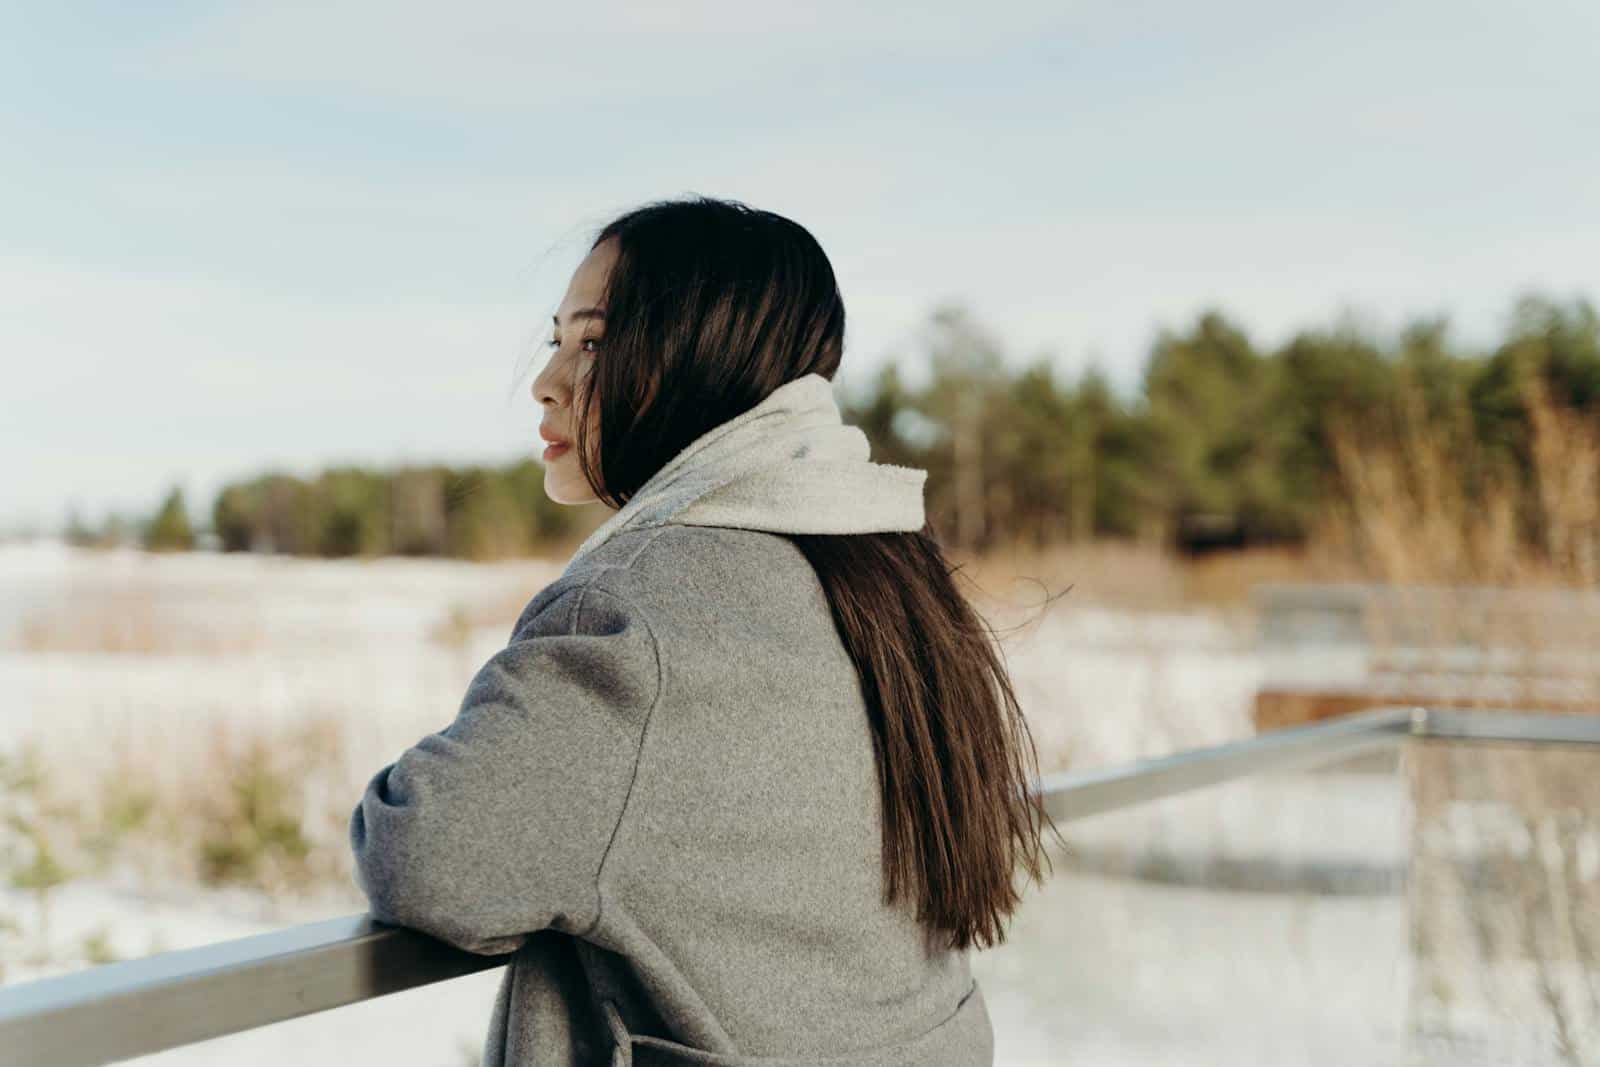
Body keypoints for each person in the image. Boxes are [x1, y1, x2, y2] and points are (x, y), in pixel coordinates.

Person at [348, 195, 1064, 1066]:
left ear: (702, 362)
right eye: (556, 341)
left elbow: (431, 854)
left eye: (594, 342)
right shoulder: (881, 565)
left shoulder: (633, 611)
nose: (548, 380)